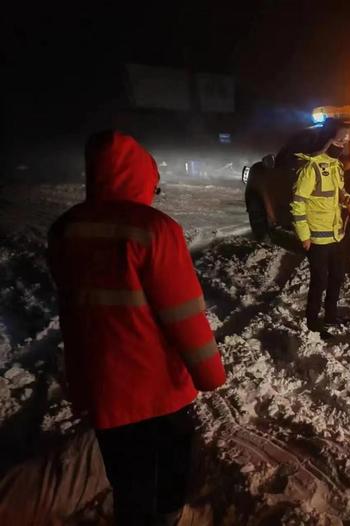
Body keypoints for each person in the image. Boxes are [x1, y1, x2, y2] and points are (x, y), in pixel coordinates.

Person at [47, 130, 227, 525]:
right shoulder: (153, 229)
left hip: (102, 384)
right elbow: (183, 313)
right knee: (169, 461)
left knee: (128, 475)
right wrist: (210, 373)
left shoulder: (65, 229)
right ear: (141, 178)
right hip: (155, 386)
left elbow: (75, 310)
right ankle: (168, 518)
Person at [290, 120, 350, 337]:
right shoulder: (311, 167)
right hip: (317, 238)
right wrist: (304, 235)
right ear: (327, 140)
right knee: (319, 281)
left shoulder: (336, 166)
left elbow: (338, 190)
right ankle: (312, 320)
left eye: (346, 141)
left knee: (337, 276)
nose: (342, 145)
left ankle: (331, 315)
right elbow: (298, 202)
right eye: (339, 140)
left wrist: (346, 197)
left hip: (336, 234)